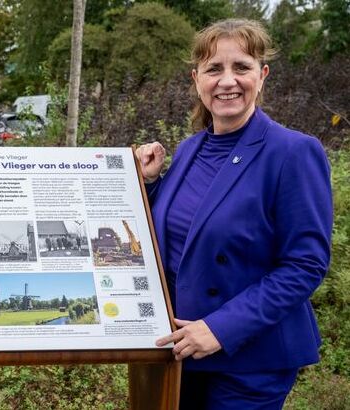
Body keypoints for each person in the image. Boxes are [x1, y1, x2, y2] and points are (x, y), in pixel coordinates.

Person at [136, 19, 332, 409]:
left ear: (262, 75)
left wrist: (220, 329)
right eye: (214, 69)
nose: (227, 81)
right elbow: (188, 233)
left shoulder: (294, 152)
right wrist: (150, 184)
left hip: (250, 359)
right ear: (197, 79)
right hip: (181, 349)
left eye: (241, 67)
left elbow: (305, 265)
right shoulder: (191, 148)